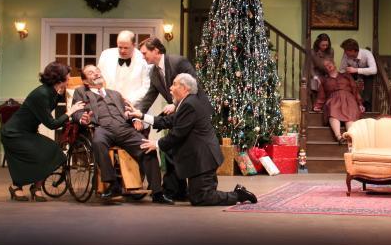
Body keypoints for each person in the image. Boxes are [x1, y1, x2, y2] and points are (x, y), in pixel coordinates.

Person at [128, 73, 257, 206]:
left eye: (174, 84)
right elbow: (169, 121)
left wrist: (156, 143)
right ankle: (236, 194)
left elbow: (178, 133)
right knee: (199, 196)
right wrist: (142, 115)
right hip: (202, 158)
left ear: (184, 88)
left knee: (201, 197)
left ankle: (238, 195)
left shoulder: (189, 104)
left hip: (204, 158)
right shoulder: (188, 102)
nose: (170, 88)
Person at [71, 65, 173, 204]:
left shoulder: (115, 94)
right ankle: (113, 184)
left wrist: (135, 119)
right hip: (101, 127)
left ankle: (157, 192)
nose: (96, 74)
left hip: (124, 128)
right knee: (98, 142)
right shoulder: (81, 92)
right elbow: (76, 112)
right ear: (85, 81)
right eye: (90, 73)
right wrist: (83, 119)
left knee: (147, 146)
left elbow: (128, 111)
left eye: (97, 71)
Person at [1, 62, 85, 202]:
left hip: (27, 132)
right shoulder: (41, 93)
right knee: (41, 153)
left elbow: (55, 101)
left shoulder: (52, 91)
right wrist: (70, 112)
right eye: (68, 75)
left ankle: (36, 187)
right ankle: (16, 186)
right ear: (59, 78)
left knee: (52, 150)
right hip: (14, 133)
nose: (70, 78)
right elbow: (52, 124)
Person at [133, 37, 202, 201]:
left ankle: (177, 190)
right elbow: (150, 96)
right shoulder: (154, 71)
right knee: (171, 150)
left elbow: (195, 87)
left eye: (145, 53)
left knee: (175, 149)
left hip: (191, 112)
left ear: (156, 51)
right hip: (175, 115)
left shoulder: (178, 62)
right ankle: (175, 190)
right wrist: (137, 114)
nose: (143, 57)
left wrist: (176, 104)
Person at [313, 58, 364, 143]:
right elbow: (321, 96)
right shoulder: (324, 80)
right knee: (332, 109)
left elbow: (354, 89)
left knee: (350, 113)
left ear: (334, 64)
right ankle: (339, 137)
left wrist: (360, 103)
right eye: (326, 66)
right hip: (333, 99)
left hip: (348, 98)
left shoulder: (346, 76)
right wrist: (317, 106)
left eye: (329, 63)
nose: (328, 66)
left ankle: (350, 137)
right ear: (324, 69)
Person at [96, 30, 150, 105]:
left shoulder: (142, 59)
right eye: (120, 47)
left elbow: (146, 86)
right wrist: (104, 97)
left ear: (134, 45)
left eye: (126, 48)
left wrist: (129, 101)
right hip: (108, 103)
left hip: (133, 105)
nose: (122, 51)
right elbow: (98, 78)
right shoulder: (106, 55)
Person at [339, 38, 377, 111]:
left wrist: (356, 70)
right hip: (353, 75)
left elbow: (374, 70)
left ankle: (366, 104)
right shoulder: (346, 55)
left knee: (370, 78)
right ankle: (349, 103)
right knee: (344, 79)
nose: (345, 52)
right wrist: (346, 73)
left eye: (346, 50)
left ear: (353, 50)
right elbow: (341, 70)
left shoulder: (367, 54)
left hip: (366, 75)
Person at [308, 33, 334, 104]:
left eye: (326, 45)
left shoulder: (331, 51)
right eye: (323, 45)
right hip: (316, 73)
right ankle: (315, 105)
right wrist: (315, 77)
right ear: (318, 44)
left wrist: (331, 75)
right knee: (314, 83)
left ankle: (329, 104)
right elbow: (311, 68)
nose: (325, 47)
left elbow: (331, 64)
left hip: (326, 73)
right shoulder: (312, 52)